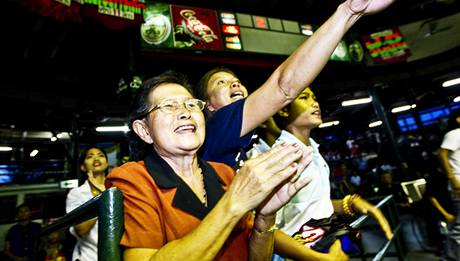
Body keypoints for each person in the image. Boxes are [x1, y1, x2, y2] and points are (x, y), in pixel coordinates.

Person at [104, 71, 351, 261]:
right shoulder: (132, 178)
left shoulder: (224, 173)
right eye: (169, 106)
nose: (185, 113)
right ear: (144, 130)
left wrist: (265, 216)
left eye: (191, 105)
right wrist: (235, 202)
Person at [194, 0, 396, 167]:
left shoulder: (239, 143)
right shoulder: (216, 124)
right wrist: (348, 12)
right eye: (221, 83)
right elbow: (283, 87)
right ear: (207, 105)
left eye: (237, 82)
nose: (235, 85)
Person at [259, 87, 393, 259]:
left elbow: (309, 206)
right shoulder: (281, 157)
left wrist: (350, 203)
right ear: (284, 110)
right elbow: (265, 228)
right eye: (304, 97)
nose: (314, 103)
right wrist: (319, 259)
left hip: (323, 244)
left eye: (314, 97)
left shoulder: (312, 149)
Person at [65, 146, 109, 261]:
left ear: (107, 162)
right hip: (90, 257)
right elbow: (82, 231)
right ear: (83, 167)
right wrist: (101, 198)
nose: (96, 158)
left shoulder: (118, 188)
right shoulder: (76, 194)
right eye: (90, 156)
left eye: (101, 155)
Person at [438, 108, 460, 261]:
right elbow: (442, 154)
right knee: (459, 228)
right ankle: (449, 258)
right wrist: (452, 179)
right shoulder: (454, 134)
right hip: (458, 183)